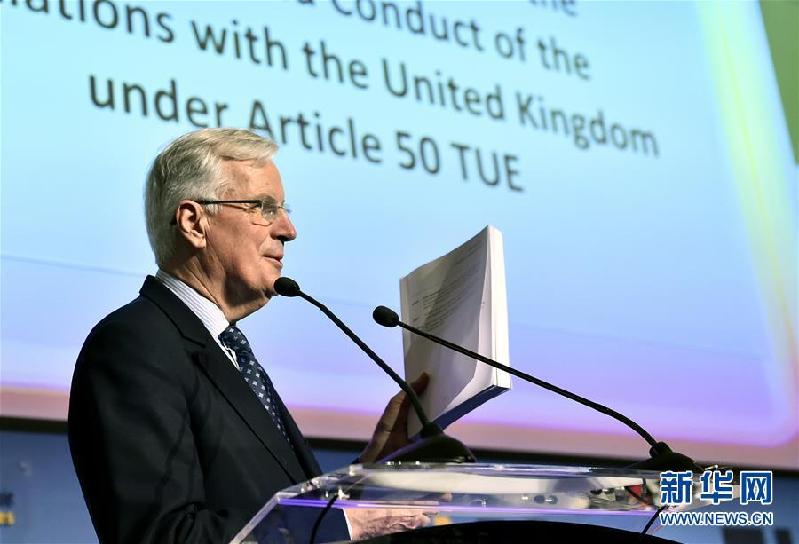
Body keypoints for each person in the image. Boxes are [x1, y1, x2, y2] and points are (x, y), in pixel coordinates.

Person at [68, 128, 428, 543]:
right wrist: (343, 524)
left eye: (283, 209)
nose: (288, 229)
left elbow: (272, 504)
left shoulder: (227, 350)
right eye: (264, 207)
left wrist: (366, 480)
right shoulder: (134, 346)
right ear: (194, 223)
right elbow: (163, 535)